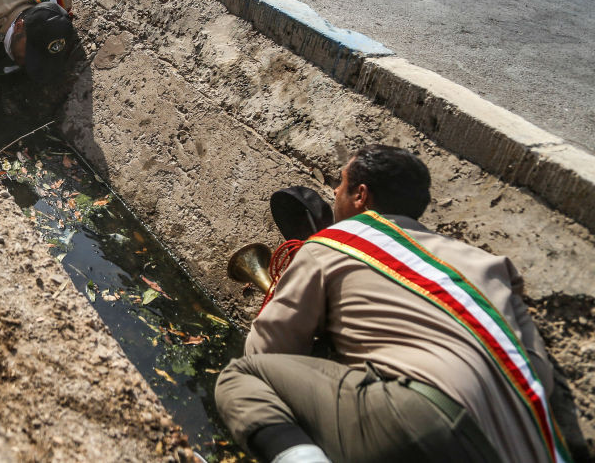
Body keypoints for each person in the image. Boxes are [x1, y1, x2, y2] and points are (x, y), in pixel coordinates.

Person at [215, 144, 572, 463]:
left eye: (340, 185)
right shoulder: (491, 265)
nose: (335, 193)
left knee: (242, 378)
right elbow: (540, 374)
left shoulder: (335, 241)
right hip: (526, 444)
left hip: (419, 418)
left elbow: (265, 355)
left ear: (361, 196)